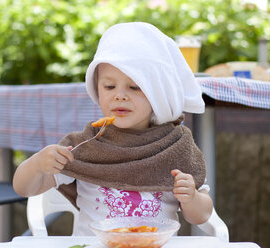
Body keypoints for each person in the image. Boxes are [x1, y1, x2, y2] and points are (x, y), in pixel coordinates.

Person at [13, 22, 213, 235]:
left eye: (135, 87)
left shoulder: (175, 145)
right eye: (109, 86)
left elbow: (201, 216)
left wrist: (191, 198)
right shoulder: (85, 144)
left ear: (159, 93)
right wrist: (37, 165)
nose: (119, 95)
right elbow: (24, 189)